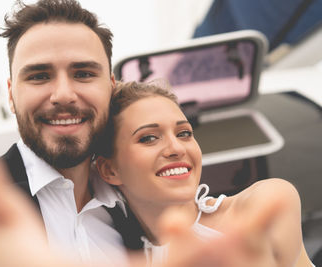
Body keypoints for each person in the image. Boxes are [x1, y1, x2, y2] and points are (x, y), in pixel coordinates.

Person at [0, 0, 129, 266]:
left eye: (84, 73)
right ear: (11, 95)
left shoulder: (131, 203)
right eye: (39, 76)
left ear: (111, 87)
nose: (63, 95)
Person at [95, 81, 315, 267]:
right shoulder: (115, 255)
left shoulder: (260, 204)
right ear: (109, 170)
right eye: (148, 138)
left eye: (184, 133)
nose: (177, 148)